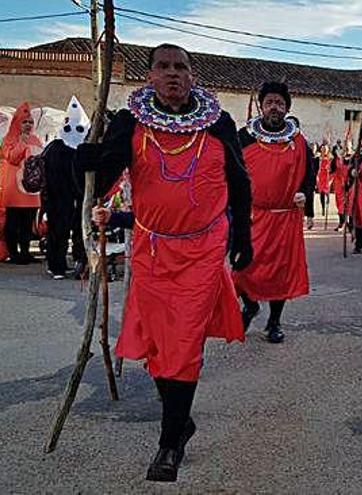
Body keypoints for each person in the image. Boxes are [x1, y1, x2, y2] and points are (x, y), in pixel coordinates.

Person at [78, 43, 252, 483]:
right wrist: (80, 156)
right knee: (157, 344)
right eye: (164, 66)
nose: (173, 74)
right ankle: (181, 419)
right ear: (150, 75)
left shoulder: (219, 123)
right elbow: (108, 170)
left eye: (181, 67)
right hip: (151, 251)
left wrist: (243, 238)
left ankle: (170, 441)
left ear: (192, 75)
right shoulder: (130, 120)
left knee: (185, 345)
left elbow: (239, 181)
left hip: (203, 251)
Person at [234, 81, 315, 344]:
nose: (274, 107)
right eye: (269, 102)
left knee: (281, 274)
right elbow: (231, 172)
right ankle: (250, 305)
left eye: (280, 103)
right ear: (261, 106)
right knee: (240, 269)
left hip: (285, 217)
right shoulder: (243, 137)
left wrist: (306, 196)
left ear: (287, 107)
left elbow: (309, 175)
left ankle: (274, 322)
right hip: (251, 217)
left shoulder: (299, 141)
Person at [43, 96, 89, 279]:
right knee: (63, 229)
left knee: (71, 229)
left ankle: (65, 264)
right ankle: (60, 265)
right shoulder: (64, 148)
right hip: (63, 196)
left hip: (69, 197)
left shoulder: (57, 148)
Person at [1, 102, 43, 264]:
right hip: (14, 190)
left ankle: (25, 252)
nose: (28, 125)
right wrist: (22, 143)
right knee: (13, 223)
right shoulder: (9, 139)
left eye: (30, 122)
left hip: (31, 190)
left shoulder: (36, 139)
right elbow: (11, 157)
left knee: (27, 223)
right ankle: (13, 252)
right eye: (24, 122)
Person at [316, 144, 332, 219]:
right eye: (323, 149)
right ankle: (323, 208)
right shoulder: (319, 158)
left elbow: (332, 168)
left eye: (325, 149)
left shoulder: (330, 158)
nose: (324, 151)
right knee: (321, 193)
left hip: (326, 176)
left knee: (326, 191)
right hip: (321, 176)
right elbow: (317, 167)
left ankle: (328, 199)